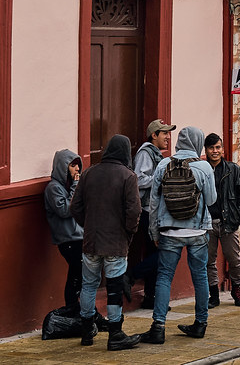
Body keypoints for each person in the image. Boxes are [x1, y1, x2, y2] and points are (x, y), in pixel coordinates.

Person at [139, 126, 217, 345]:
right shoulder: (204, 167)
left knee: (164, 277)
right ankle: (200, 323)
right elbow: (211, 200)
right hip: (198, 230)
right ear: (198, 142)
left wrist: (154, 231)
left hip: (169, 231)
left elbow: (153, 204)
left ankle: (158, 327)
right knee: (200, 276)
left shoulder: (163, 164)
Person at [70, 135, 142, 351]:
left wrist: (89, 224)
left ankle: (86, 329)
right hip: (115, 242)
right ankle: (115, 333)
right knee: (114, 287)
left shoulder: (89, 173)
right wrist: (129, 232)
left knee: (88, 285)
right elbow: (134, 211)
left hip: (91, 240)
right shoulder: (128, 176)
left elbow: (75, 207)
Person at [203, 133, 240, 308]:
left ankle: (236, 289)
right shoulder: (202, 169)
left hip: (228, 223)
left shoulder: (233, 169)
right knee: (208, 261)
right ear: (206, 150)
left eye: (218, 147)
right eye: (211, 148)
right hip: (207, 223)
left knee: (234, 259)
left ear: (223, 149)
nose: (215, 151)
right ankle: (213, 294)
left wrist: (239, 215)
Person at [131, 119, 173, 309]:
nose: (168, 137)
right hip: (148, 211)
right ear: (154, 135)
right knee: (161, 253)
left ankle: (150, 296)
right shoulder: (146, 153)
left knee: (153, 252)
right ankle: (130, 275)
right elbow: (139, 179)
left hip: (153, 210)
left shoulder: (156, 154)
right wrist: (161, 177)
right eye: (164, 133)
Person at [44, 148, 84, 315]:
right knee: (77, 273)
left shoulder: (67, 186)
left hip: (79, 236)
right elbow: (65, 210)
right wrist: (75, 186)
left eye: (78, 166)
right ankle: (72, 308)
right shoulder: (53, 188)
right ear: (63, 166)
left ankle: (78, 309)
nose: (77, 169)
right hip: (67, 240)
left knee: (80, 274)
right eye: (73, 165)